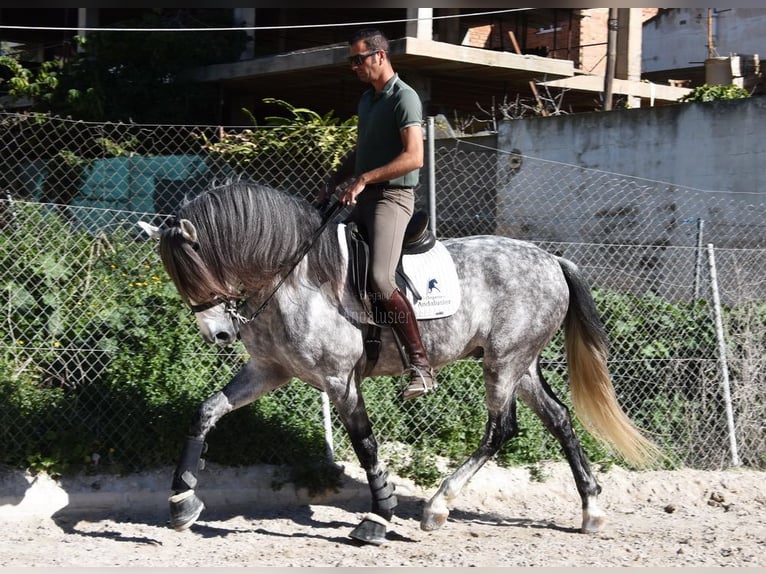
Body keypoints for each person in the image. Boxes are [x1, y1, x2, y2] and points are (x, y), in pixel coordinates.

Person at [318, 28, 435, 400]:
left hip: (393, 199)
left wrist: (365, 178)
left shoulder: (405, 98)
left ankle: (421, 365)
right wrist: (333, 181)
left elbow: (414, 157)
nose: (353, 66)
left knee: (381, 279)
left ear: (379, 56)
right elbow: (362, 150)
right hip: (363, 196)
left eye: (358, 59)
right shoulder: (367, 101)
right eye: (351, 60)